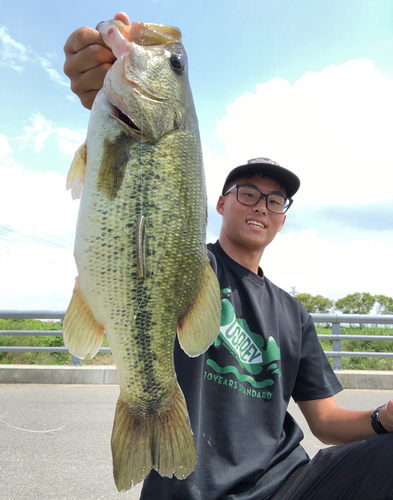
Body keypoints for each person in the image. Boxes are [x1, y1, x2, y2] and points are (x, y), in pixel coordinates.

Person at [64, 13, 393, 500]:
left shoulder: (293, 313)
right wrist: (97, 82)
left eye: (274, 200)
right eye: (246, 192)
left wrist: (382, 420)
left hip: (294, 483)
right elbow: (133, 206)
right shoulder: (194, 266)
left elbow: (324, 420)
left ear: (282, 218)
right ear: (218, 203)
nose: (261, 206)